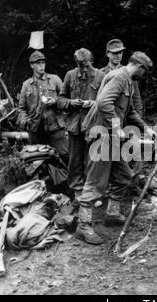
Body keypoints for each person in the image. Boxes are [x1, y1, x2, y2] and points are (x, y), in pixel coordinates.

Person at [75, 52, 157, 245]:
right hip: (102, 134)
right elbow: (104, 102)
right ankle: (83, 225)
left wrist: (145, 128)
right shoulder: (120, 77)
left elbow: (130, 111)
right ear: (139, 67)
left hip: (111, 136)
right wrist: (117, 127)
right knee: (96, 182)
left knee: (123, 176)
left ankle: (111, 213)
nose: (143, 76)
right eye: (144, 72)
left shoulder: (127, 81)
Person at [57, 48, 105, 203]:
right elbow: (60, 100)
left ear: (91, 61)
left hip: (94, 125)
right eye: (80, 66)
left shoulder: (101, 76)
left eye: (86, 65)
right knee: (75, 160)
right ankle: (78, 191)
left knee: (93, 160)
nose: (84, 69)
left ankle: (91, 193)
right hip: (75, 126)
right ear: (76, 64)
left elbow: (107, 100)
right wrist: (70, 103)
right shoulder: (70, 76)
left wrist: (93, 103)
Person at [17, 51, 69, 163]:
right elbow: (21, 108)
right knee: (37, 161)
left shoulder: (55, 80)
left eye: (43, 63)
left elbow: (66, 99)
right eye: (38, 63)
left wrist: (54, 101)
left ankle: (69, 180)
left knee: (65, 156)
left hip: (55, 126)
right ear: (32, 65)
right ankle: (43, 180)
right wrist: (25, 122)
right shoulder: (26, 85)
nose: (41, 66)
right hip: (35, 129)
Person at [100, 39, 143, 116]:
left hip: (124, 120)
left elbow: (136, 101)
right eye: (115, 53)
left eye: (120, 52)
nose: (118, 56)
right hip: (105, 119)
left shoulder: (129, 73)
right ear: (107, 53)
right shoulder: (101, 74)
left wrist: (137, 121)